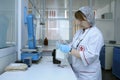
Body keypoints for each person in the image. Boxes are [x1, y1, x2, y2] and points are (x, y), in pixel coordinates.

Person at [57, 6, 104, 80]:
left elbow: (90, 56)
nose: (78, 22)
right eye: (78, 20)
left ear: (89, 19)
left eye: (81, 20)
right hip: (77, 71)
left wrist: (69, 50)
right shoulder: (80, 31)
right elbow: (74, 45)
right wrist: (65, 45)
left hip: (89, 74)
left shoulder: (96, 34)